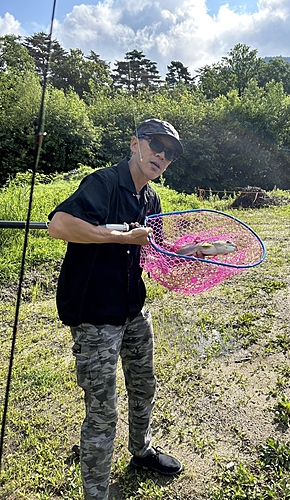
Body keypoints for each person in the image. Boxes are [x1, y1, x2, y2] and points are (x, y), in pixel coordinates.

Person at [48, 118, 184, 500]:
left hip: (133, 309)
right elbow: (58, 225)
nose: (161, 155)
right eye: (156, 144)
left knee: (144, 387)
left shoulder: (152, 198)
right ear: (134, 143)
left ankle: (141, 452)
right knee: (103, 411)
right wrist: (121, 234)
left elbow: (155, 249)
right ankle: (96, 493)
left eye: (169, 153)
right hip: (95, 315)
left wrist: (194, 252)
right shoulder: (103, 182)